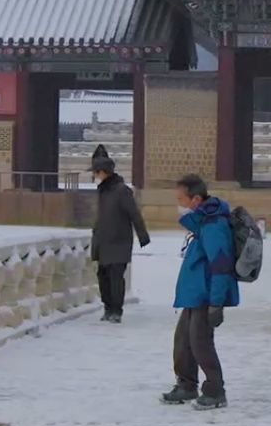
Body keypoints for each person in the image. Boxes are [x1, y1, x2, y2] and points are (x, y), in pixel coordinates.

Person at [162, 174, 237, 410]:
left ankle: (215, 390)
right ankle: (186, 384)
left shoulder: (214, 225)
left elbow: (221, 264)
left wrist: (216, 303)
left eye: (181, 199)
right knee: (183, 341)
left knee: (200, 342)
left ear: (195, 199)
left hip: (206, 295)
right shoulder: (202, 222)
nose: (179, 204)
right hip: (194, 294)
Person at [90, 155, 149, 323]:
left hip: (119, 241)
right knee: (103, 277)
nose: (95, 176)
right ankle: (107, 308)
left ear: (103, 172)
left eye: (96, 172)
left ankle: (116, 310)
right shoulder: (103, 191)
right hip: (103, 241)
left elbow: (134, 214)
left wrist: (142, 235)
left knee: (116, 278)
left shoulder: (122, 190)